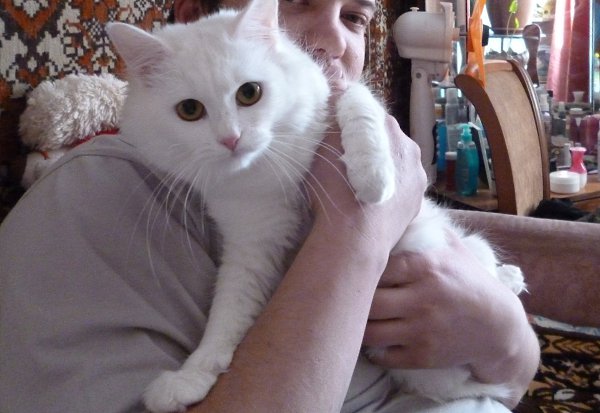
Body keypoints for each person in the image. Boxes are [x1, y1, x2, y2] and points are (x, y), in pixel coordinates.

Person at [0, 1, 539, 412]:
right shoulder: (86, 197)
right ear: (193, 14)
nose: (333, 37)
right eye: (297, 2)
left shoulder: (300, 137)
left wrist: (508, 336)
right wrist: (356, 233)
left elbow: (511, 377)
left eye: (354, 17)